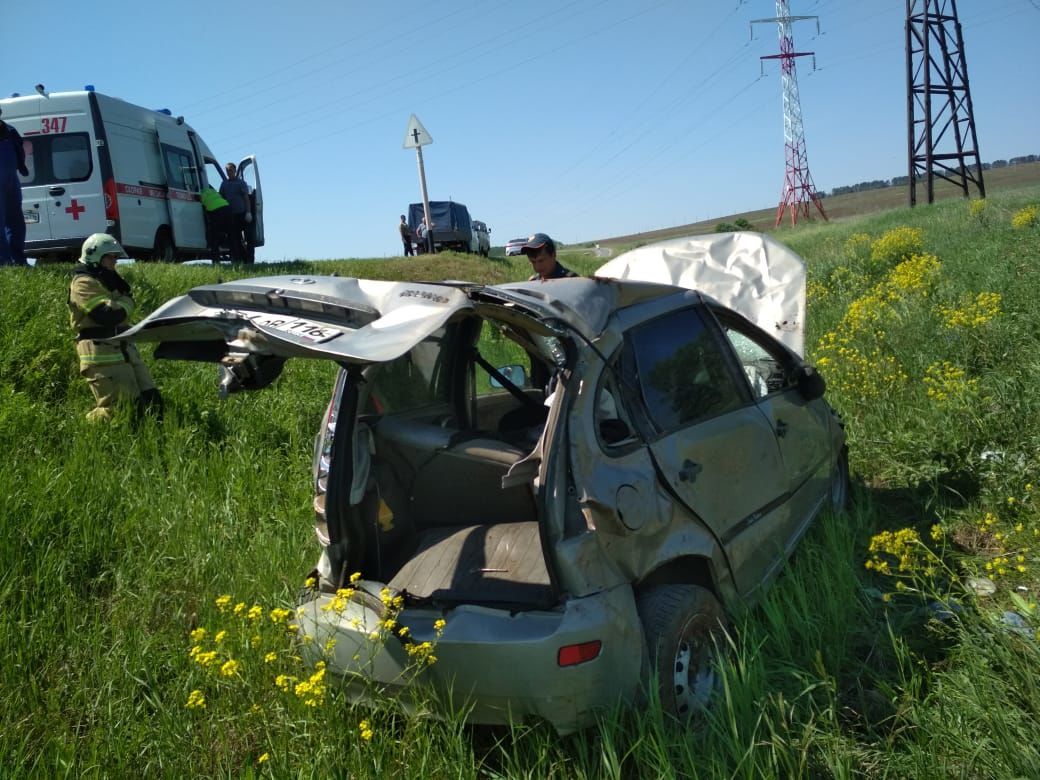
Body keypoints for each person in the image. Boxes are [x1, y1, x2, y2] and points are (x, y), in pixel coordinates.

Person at [68, 233, 162, 421]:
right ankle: (86, 432)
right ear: (95, 256)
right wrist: (126, 302)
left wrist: (121, 302)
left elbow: (119, 309)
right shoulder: (83, 283)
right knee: (117, 410)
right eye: (110, 257)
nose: (115, 262)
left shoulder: (108, 283)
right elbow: (108, 316)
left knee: (152, 401)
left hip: (123, 349)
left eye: (115, 257)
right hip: (101, 353)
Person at [0, 107, 29, 267]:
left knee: (15, 221)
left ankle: (18, 259)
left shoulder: (10, 131)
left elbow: (20, 152)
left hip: (11, 180)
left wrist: (22, 167)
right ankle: (3, 262)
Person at [219, 162, 251, 262]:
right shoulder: (224, 184)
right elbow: (221, 197)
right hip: (231, 215)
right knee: (234, 238)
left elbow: (246, 198)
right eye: (227, 171)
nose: (229, 172)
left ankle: (249, 259)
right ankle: (238, 259)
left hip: (242, 213)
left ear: (235, 171)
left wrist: (248, 212)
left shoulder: (241, 183)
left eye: (231, 170)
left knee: (248, 238)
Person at [200, 184, 233, 261]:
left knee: (214, 237)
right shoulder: (212, 191)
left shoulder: (200, 193)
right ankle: (235, 257)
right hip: (227, 208)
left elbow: (202, 206)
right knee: (231, 235)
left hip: (216, 211)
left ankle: (216, 260)